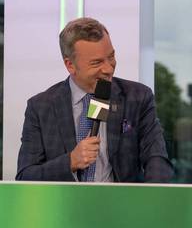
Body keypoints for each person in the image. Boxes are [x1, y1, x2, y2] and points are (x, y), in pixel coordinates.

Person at [16, 17, 174, 182]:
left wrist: (151, 201)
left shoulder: (138, 97)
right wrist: (70, 161)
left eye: (111, 56)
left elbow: (157, 160)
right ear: (70, 65)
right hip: (65, 205)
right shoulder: (40, 107)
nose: (108, 68)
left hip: (119, 204)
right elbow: (25, 176)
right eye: (96, 62)